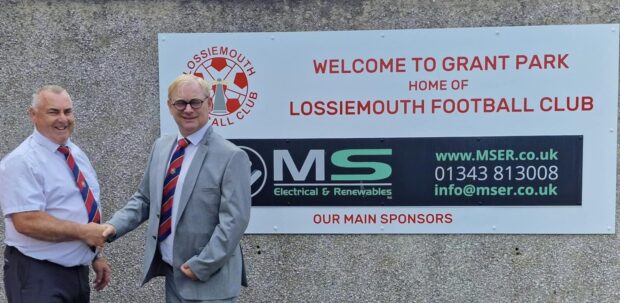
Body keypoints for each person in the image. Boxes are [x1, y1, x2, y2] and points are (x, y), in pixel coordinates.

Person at [102, 74, 251, 302]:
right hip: (174, 277)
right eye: (180, 103)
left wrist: (202, 265)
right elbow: (144, 199)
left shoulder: (231, 156)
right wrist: (113, 227)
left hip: (210, 282)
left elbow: (234, 222)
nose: (188, 109)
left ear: (210, 104)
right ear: (170, 107)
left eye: (195, 102)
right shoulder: (162, 147)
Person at [0, 85, 111, 303]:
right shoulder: (21, 161)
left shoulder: (76, 154)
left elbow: (80, 209)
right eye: (53, 112)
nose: (63, 119)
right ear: (33, 115)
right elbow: (27, 221)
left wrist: (93, 254)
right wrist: (85, 233)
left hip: (75, 275)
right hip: (37, 275)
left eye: (67, 111)